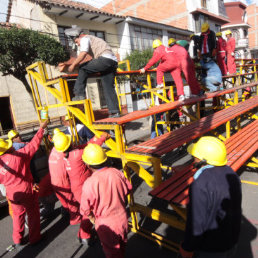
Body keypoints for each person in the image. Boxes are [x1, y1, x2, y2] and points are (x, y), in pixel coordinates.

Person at [180, 136, 242, 258]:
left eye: (195, 156)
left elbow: (196, 223)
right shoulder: (231, 174)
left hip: (210, 248)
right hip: (231, 240)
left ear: (203, 160)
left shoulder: (200, 184)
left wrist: (187, 248)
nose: (193, 158)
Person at [0, 120, 49, 248]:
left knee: (17, 216)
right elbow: (33, 145)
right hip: (26, 190)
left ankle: (17, 239)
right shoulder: (18, 156)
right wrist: (41, 129)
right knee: (33, 214)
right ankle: (35, 238)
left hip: (12, 194)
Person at [80, 144, 132, 258]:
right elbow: (128, 189)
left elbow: (84, 209)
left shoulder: (89, 183)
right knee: (122, 245)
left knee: (112, 252)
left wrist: (91, 217)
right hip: (122, 219)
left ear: (87, 164)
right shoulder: (116, 172)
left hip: (106, 225)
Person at [64, 25, 120, 118]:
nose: (77, 44)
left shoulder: (85, 38)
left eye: (76, 41)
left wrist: (73, 64)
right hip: (112, 62)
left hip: (104, 60)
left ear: (78, 37)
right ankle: (114, 112)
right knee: (108, 87)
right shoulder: (94, 39)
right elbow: (89, 57)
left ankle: (79, 94)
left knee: (82, 68)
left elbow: (83, 53)